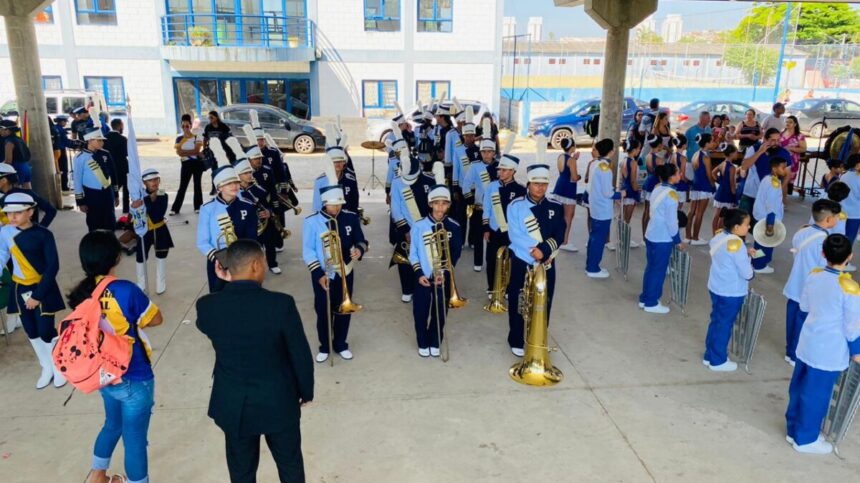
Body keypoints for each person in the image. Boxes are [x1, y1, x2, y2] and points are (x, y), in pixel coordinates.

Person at [196, 239, 314, 481]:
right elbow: (300, 354)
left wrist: (225, 283)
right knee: (290, 466)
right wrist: (306, 391)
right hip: (278, 401)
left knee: (241, 472)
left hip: (233, 403)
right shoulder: (281, 304)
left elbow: (208, 322)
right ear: (256, 265)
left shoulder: (208, 306)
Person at [70, 231, 163, 483]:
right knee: (134, 441)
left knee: (112, 424)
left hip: (103, 374)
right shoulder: (125, 290)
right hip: (134, 373)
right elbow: (156, 318)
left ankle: (97, 475)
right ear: (117, 258)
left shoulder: (82, 293)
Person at [785, 233, 860, 455]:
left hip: (808, 341)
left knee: (799, 387)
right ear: (849, 256)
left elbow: (805, 306)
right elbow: (853, 326)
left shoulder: (814, 275)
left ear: (822, 254)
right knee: (817, 394)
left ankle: (793, 429)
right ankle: (805, 438)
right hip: (829, 349)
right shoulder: (849, 288)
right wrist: (856, 351)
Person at [0, 193, 65, 389]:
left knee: (46, 330)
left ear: (30, 212)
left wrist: (38, 296)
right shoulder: (5, 232)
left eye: (18, 213)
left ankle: (59, 366)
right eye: (8, 213)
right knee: (31, 329)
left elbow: (53, 266)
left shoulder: (44, 234)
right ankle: (46, 367)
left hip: (42, 287)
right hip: (20, 287)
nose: (12, 217)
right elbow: (2, 255)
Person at [302, 176, 368, 362]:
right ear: (324, 203)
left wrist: (359, 249)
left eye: (339, 204)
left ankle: (340, 343)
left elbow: (361, 240)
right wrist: (318, 273)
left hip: (346, 271)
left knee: (344, 309)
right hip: (323, 274)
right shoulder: (312, 221)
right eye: (332, 204)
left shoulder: (351, 217)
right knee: (323, 311)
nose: (336, 208)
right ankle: (325, 346)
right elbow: (308, 251)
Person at [506, 162, 564, 354]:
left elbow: (559, 234)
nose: (541, 188)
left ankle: (537, 337)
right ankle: (516, 339)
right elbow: (515, 235)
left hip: (547, 262)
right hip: (522, 260)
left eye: (544, 184)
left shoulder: (556, 206)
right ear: (529, 183)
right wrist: (536, 252)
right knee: (519, 300)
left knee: (545, 301)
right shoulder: (516, 206)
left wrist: (545, 252)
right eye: (536, 183)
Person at [409, 166, 463, 357]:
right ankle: (422, 341)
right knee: (420, 310)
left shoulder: (454, 226)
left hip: (443, 276)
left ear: (449, 205)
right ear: (430, 204)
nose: (440, 207)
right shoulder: (419, 226)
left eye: (444, 203)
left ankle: (435, 340)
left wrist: (445, 272)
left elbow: (455, 253)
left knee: (440, 310)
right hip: (423, 275)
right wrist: (419, 274)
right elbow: (413, 253)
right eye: (436, 203)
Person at [783, 199, 841, 366]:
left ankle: (789, 351)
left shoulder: (803, 231)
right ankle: (795, 355)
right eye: (837, 217)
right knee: (803, 322)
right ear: (829, 219)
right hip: (810, 288)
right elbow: (824, 267)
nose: (838, 220)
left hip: (795, 282)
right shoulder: (824, 241)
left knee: (792, 319)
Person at [703, 208, 755, 371]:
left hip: (716, 286)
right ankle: (718, 360)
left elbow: (728, 253)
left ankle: (709, 355)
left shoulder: (720, 236)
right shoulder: (737, 244)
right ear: (736, 227)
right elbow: (747, 274)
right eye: (747, 224)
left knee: (716, 321)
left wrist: (744, 252)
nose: (749, 227)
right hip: (731, 291)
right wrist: (748, 260)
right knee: (724, 324)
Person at [196, 161, 258, 293]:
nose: (234, 186)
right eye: (229, 183)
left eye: (236, 182)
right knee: (218, 296)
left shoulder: (248, 206)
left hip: (243, 261)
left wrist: (242, 260)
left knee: (243, 296)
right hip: (217, 262)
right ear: (219, 187)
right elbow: (202, 242)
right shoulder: (207, 209)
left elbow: (252, 238)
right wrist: (223, 261)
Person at [638, 163, 687, 314]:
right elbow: (672, 222)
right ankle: (651, 302)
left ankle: (645, 298)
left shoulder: (658, 188)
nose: (680, 175)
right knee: (658, 271)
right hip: (662, 237)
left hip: (651, 233)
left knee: (651, 268)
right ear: (671, 177)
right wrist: (678, 240)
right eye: (678, 173)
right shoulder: (671, 195)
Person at [390, 150, 435, 303]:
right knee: (405, 261)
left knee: (426, 257)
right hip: (406, 228)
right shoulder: (397, 182)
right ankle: (407, 289)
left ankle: (422, 286)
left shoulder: (429, 180)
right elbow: (396, 208)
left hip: (426, 227)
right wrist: (405, 230)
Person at [482, 148, 526, 295]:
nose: (500, 172)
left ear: (513, 171)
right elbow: (487, 208)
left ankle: (508, 288)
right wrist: (486, 228)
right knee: (491, 260)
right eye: (500, 170)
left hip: (512, 232)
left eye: (505, 170)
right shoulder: (492, 186)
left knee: (511, 261)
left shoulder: (520, 190)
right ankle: (492, 287)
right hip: (494, 230)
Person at [462, 120, 498, 270]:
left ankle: (491, 262)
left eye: (490, 151)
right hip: (479, 207)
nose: (487, 154)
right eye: (484, 152)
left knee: (493, 236)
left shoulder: (500, 166)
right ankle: (478, 262)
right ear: (480, 152)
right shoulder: (475, 166)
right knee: (478, 236)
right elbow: (466, 184)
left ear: (494, 152)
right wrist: (469, 198)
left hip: (495, 208)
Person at [584, 139, 620, 278]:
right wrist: (620, 194)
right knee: (599, 239)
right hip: (602, 208)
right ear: (611, 151)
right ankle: (593, 268)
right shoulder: (605, 169)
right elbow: (607, 193)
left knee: (594, 237)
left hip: (595, 205)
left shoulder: (595, 163)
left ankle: (590, 265)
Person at [134, 168, 173, 295]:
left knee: (161, 257)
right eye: (150, 180)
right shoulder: (139, 195)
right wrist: (144, 200)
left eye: (156, 179)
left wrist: (145, 201)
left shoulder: (163, 194)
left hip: (159, 229)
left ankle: (160, 284)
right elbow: (134, 212)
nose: (154, 182)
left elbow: (157, 215)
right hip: (144, 231)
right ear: (144, 183)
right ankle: (141, 283)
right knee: (141, 257)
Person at [74, 126, 119, 232]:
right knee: (94, 222)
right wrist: (80, 201)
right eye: (99, 140)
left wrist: (116, 193)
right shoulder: (80, 157)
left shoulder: (105, 154)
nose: (102, 143)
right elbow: (77, 180)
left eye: (102, 140)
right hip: (92, 194)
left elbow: (113, 174)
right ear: (90, 140)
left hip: (107, 192)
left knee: (110, 221)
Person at [739, 128, 790, 215]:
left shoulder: (784, 153)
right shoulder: (754, 149)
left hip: (770, 196)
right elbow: (744, 166)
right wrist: (760, 152)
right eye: (773, 140)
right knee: (742, 220)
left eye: (778, 140)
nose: (776, 143)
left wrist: (778, 190)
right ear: (765, 139)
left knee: (765, 222)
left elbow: (787, 175)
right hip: (751, 193)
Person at [751, 156, 789, 274]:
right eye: (783, 168)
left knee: (759, 242)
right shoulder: (774, 184)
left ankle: (755, 262)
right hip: (767, 218)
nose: (785, 170)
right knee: (765, 243)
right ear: (774, 168)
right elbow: (772, 206)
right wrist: (770, 224)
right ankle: (759, 266)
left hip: (760, 216)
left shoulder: (767, 178)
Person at [312, 126, 358, 213]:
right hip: (327, 218)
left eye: (340, 161)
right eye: (334, 161)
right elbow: (317, 207)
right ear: (328, 162)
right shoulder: (319, 181)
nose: (338, 164)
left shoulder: (350, 180)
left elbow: (354, 203)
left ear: (344, 162)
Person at [550, 138, 580, 252]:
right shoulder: (571, 160)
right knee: (568, 216)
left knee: (560, 215)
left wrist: (574, 159)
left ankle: (557, 238)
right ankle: (564, 241)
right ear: (572, 147)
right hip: (569, 189)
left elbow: (565, 171)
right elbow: (574, 177)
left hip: (559, 187)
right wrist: (580, 176)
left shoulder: (561, 156)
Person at [170, 114, 204, 215]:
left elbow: (197, 150)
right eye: (183, 126)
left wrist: (187, 152)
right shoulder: (179, 138)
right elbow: (179, 153)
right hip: (185, 164)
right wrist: (193, 152)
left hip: (197, 164)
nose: (185, 128)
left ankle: (198, 207)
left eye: (187, 126)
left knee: (197, 185)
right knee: (182, 186)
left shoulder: (196, 136)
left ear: (190, 125)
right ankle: (175, 209)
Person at [687, 133, 717, 245]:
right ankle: (695, 238)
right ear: (706, 143)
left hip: (695, 185)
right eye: (712, 141)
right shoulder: (706, 157)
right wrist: (713, 185)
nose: (714, 143)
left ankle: (688, 236)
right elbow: (709, 175)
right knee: (700, 213)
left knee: (691, 212)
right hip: (704, 187)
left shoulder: (695, 154)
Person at [711, 144, 740, 234]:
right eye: (736, 152)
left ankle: (714, 235)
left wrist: (720, 181)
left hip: (720, 191)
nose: (737, 154)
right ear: (731, 154)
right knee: (723, 217)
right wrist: (735, 197)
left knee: (717, 215)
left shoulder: (722, 163)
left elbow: (713, 173)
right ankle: (719, 235)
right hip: (727, 194)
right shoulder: (732, 167)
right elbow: (732, 184)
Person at [640, 134, 666, 236]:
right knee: (653, 211)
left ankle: (644, 235)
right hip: (655, 185)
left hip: (647, 183)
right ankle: (649, 234)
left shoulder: (647, 156)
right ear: (659, 145)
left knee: (646, 210)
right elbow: (663, 175)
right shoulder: (659, 159)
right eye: (662, 144)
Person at [104, 119, 130, 215]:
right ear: (120, 126)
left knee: (112, 188)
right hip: (122, 167)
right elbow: (126, 153)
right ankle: (126, 209)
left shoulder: (105, 138)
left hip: (109, 168)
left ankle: (109, 207)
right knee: (126, 189)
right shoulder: (123, 139)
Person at [203, 110, 233, 195]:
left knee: (223, 170)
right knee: (214, 170)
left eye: (212, 117)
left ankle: (224, 188)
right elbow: (205, 139)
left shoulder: (223, 127)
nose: (210, 119)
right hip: (212, 152)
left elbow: (229, 139)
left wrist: (228, 153)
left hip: (223, 152)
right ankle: (214, 188)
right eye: (209, 118)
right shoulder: (208, 127)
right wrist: (204, 149)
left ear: (216, 117)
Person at [0, 119, 32, 188]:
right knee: (28, 189)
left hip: (17, 169)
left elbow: (8, 161)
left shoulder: (9, 142)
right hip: (26, 167)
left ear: (7, 130)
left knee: (16, 190)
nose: (0, 131)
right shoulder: (19, 139)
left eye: (1, 129)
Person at [620, 138, 641, 240]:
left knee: (623, 217)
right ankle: (624, 239)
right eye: (638, 148)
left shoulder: (624, 160)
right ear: (634, 150)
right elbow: (633, 180)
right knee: (627, 219)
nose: (639, 150)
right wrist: (637, 190)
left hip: (625, 189)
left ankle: (622, 238)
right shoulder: (633, 163)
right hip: (631, 191)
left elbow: (623, 177)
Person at [780, 115, 807, 195]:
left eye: (790, 122)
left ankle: (785, 198)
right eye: (786, 122)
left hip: (792, 162)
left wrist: (791, 148)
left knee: (788, 181)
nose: (788, 123)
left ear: (795, 124)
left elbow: (803, 149)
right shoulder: (781, 133)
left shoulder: (799, 136)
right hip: (780, 161)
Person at [841, 154, 860, 246]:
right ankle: (845, 254)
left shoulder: (844, 176)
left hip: (842, 211)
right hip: (855, 213)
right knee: (849, 239)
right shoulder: (858, 177)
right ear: (857, 165)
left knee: (841, 235)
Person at [54, 114, 72, 191]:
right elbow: (66, 142)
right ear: (61, 121)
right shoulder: (61, 130)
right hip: (61, 151)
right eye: (65, 121)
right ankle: (64, 186)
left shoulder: (54, 128)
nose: (65, 123)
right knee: (64, 168)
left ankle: (59, 186)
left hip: (54, 151)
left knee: (57, 168)